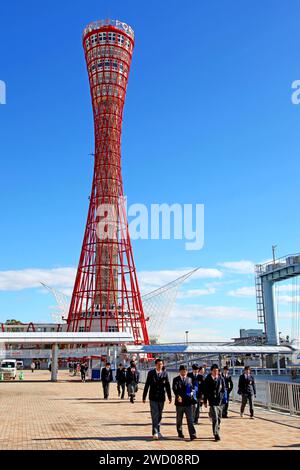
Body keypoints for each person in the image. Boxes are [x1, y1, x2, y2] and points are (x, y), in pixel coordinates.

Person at [142, 358, 172, 439]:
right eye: (158, 364)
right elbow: (147, 385)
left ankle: (157, 431)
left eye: (161, 364)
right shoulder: (151, 373)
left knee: (159, 415)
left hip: (161, 397)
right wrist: (144, 396)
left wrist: (169, 396)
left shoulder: (165, 374)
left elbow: (168, 386)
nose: (160, 366)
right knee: (154, 414)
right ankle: (155, 432)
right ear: (155, 365)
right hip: (153, 397)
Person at [172, 365, 197, 441]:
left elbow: (192, 388)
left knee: (190, 419)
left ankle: (192, 434)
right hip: (179, 403)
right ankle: (180, 432)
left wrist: (193, 392)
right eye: (182, 371)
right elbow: (175, 389)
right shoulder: (175, 379)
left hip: (188, 403)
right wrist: (178, 396)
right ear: (180, 371)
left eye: (185, 371)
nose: (184, 372)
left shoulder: (189, 379)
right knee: (179, 419)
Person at [203, 364, 226, 441]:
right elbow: (205, 391)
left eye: (217, 371)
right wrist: (205, 401)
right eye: (214, 371)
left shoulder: (221, 378)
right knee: (215, 418)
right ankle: (216, 434)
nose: (216, 372)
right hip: (212, 401)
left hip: (220, 401)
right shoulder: (208, 379)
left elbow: (223, 389)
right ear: (211, 371)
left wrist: (222, 398)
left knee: (219, 418)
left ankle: (217, 430)